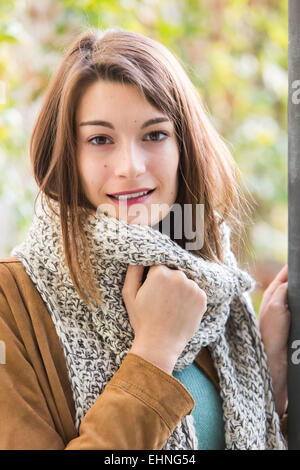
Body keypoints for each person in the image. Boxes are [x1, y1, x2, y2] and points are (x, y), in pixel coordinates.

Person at [0, 27, 289, 450]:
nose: (130, 166)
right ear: (68, 156)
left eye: (154, 135)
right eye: (100, 140)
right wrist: (154, 351)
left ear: (182, 149)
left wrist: (270, 370)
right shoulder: (11, 302)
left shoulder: (213, 287)